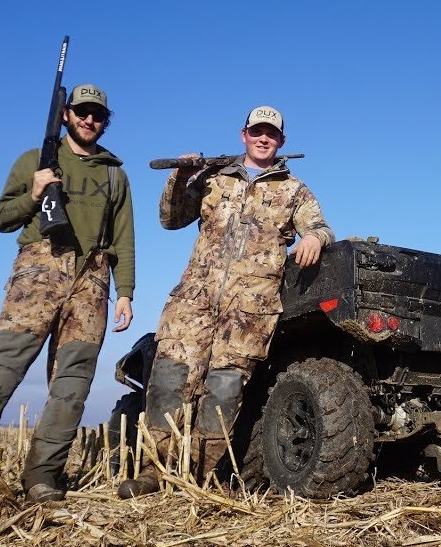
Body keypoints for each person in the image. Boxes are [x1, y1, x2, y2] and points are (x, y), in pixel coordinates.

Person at [0, 84, 136, 504]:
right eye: (81, 112)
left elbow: (125, 238)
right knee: (0, 371)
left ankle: (43, 477)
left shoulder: (115, 173)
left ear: (105, 120)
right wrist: (34, 194)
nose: (89, 120)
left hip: (92, 282)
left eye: (97, 114)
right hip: (38, 275)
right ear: (66, 115)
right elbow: (0, 218)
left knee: (73, 384)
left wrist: (125, 291)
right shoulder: (35, 160)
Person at [117, 105, 333, 498]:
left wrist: (315, 238)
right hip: (193, 301)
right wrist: (179, 177)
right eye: (256, 131)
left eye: (271, 133)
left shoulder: (294, 190)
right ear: (243, 134)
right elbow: (171, 218)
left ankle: (196, 477)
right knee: (168, 381)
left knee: (223, 391)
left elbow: (319, 226)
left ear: (281, 140)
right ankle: (153, 472)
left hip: (248, 314)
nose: (263, 138)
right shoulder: (213, 177)